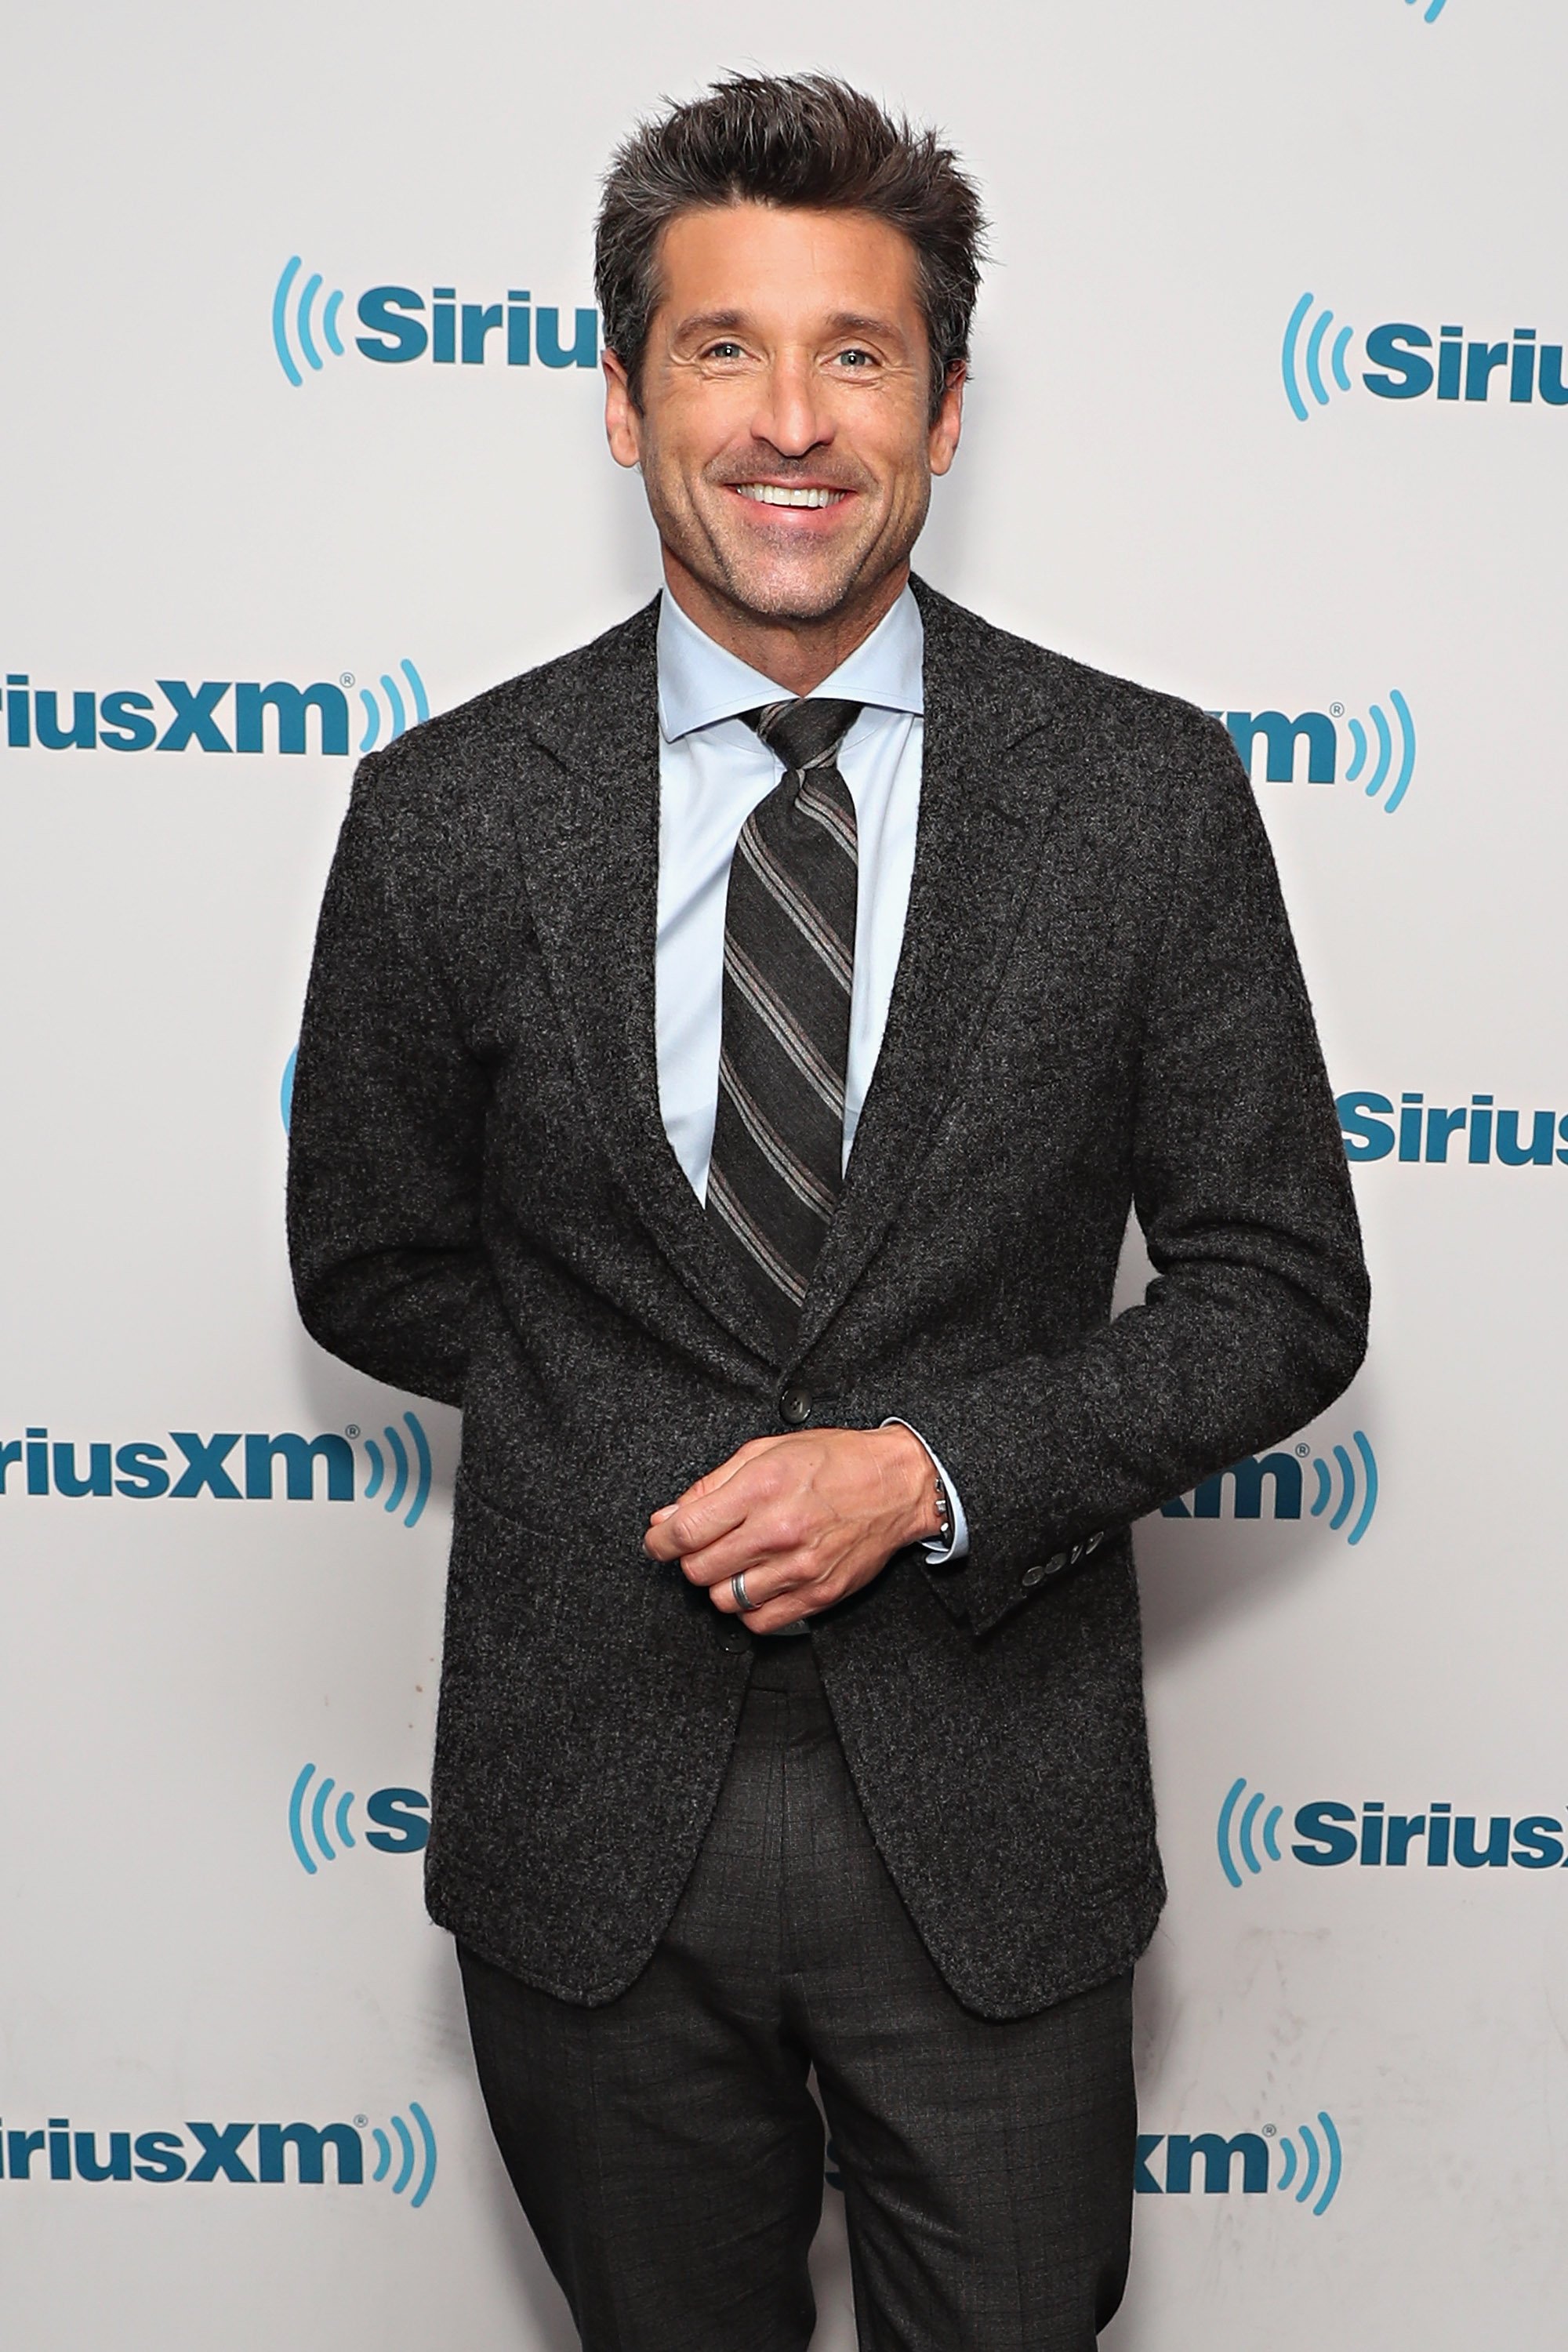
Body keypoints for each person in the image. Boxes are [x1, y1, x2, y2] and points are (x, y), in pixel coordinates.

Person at [287, 71, 1368, 2352]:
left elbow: (1277, 1289)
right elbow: (372, 1254)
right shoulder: (447, 810)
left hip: (992, 1823)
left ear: (947, 408)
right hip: (588, 1824)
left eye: (858, 354)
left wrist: (931, 1475)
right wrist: (621, 1419)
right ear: (621, 400)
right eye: (723, 349)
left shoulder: (1146, 797)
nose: (794, 420)